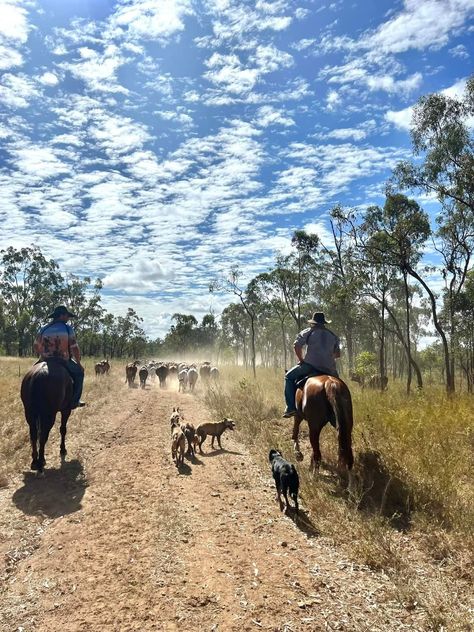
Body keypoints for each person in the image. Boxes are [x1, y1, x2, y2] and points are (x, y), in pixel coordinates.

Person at [283, 312, 340, 418]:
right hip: (330, 369)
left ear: (313, 323)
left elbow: (296, 345)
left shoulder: (308, 331)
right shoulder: (333, 335)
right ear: (324, 323)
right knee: (339, 388)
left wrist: (301, 360)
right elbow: (337, 354)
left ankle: (290, 408)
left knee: (288, 377)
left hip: (311, 365)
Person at [33, 305, 86, 409]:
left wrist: (43, 354)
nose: (68, 318)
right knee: (79, 374)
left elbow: (35, 345)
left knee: (31, 373)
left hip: (45, 359)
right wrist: (79, 363)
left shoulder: (43, 329)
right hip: (63, 360)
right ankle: (75, 401)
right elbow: (74, 348)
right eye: (67, 316)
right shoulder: (67, 329)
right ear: (61, 316)